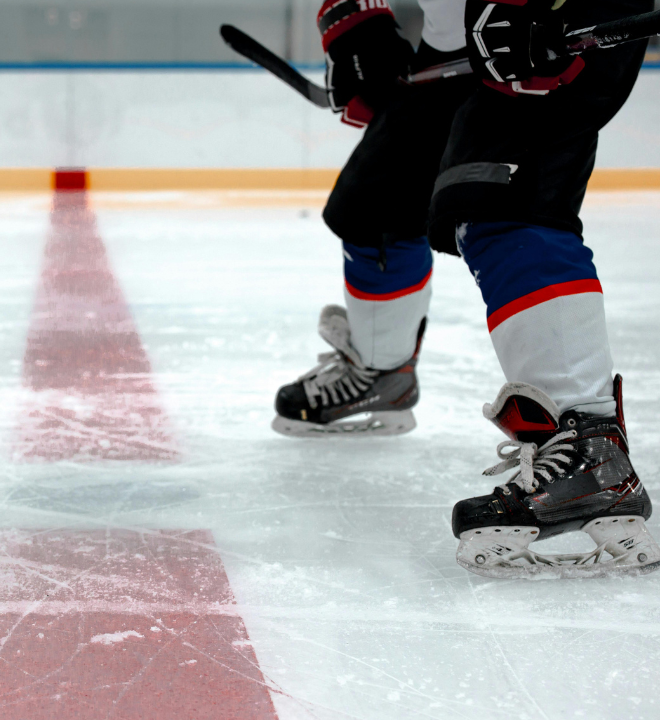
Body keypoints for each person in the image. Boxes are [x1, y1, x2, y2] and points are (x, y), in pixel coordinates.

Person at [277, 0, 658, 578]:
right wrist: (358, 26)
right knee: (377, 201)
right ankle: (382, 372)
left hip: (551, 13)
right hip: (456, 36)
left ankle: (592, 452)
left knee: (501, 202)